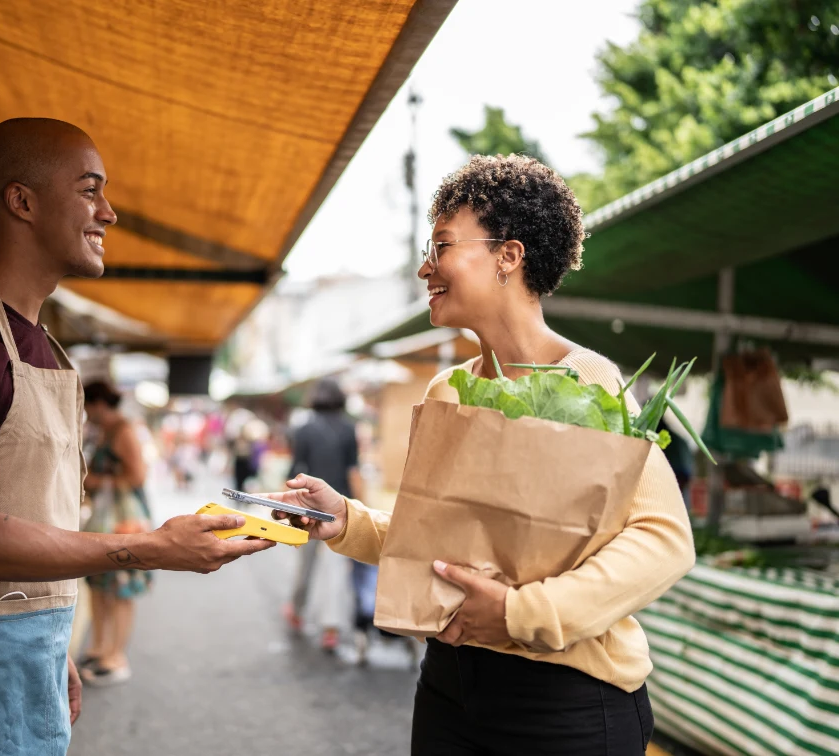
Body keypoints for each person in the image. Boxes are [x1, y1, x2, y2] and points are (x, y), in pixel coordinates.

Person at [0, 118, 274, 756]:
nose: (108, 212)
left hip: (30, 659)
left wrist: (51, 641)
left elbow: (30, 516)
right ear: (21, 201)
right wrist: (150, 548)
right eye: (89, 190)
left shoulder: (41, 343)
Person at [262, 154, 694, 755]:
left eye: (441, 245)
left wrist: (525, 613)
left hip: (566, 699)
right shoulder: (446, 391)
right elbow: (439, 544)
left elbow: (664, 541)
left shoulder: (591, 381)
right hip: (449, 687)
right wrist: (348, 522)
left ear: (508, 257)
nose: (424, 267)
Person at [79, 380, 152, 686]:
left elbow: (138, 476)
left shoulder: (123, 431)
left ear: (97, 404)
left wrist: (98, 482)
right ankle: (100, 648)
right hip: (106, 517)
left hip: (124, 518)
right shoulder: (107, 431)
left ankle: (116, 655)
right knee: (99, 584)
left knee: (121, 587)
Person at [284, 379, 361, 652]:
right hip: (340, 507)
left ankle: (296, 610)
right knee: (335, 569)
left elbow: (294, 470)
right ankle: (331, 628)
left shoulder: (304, 429)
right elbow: (353, 472)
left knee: (304, 564)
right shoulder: (350, 428)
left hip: (308, 506)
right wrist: (360, 506)